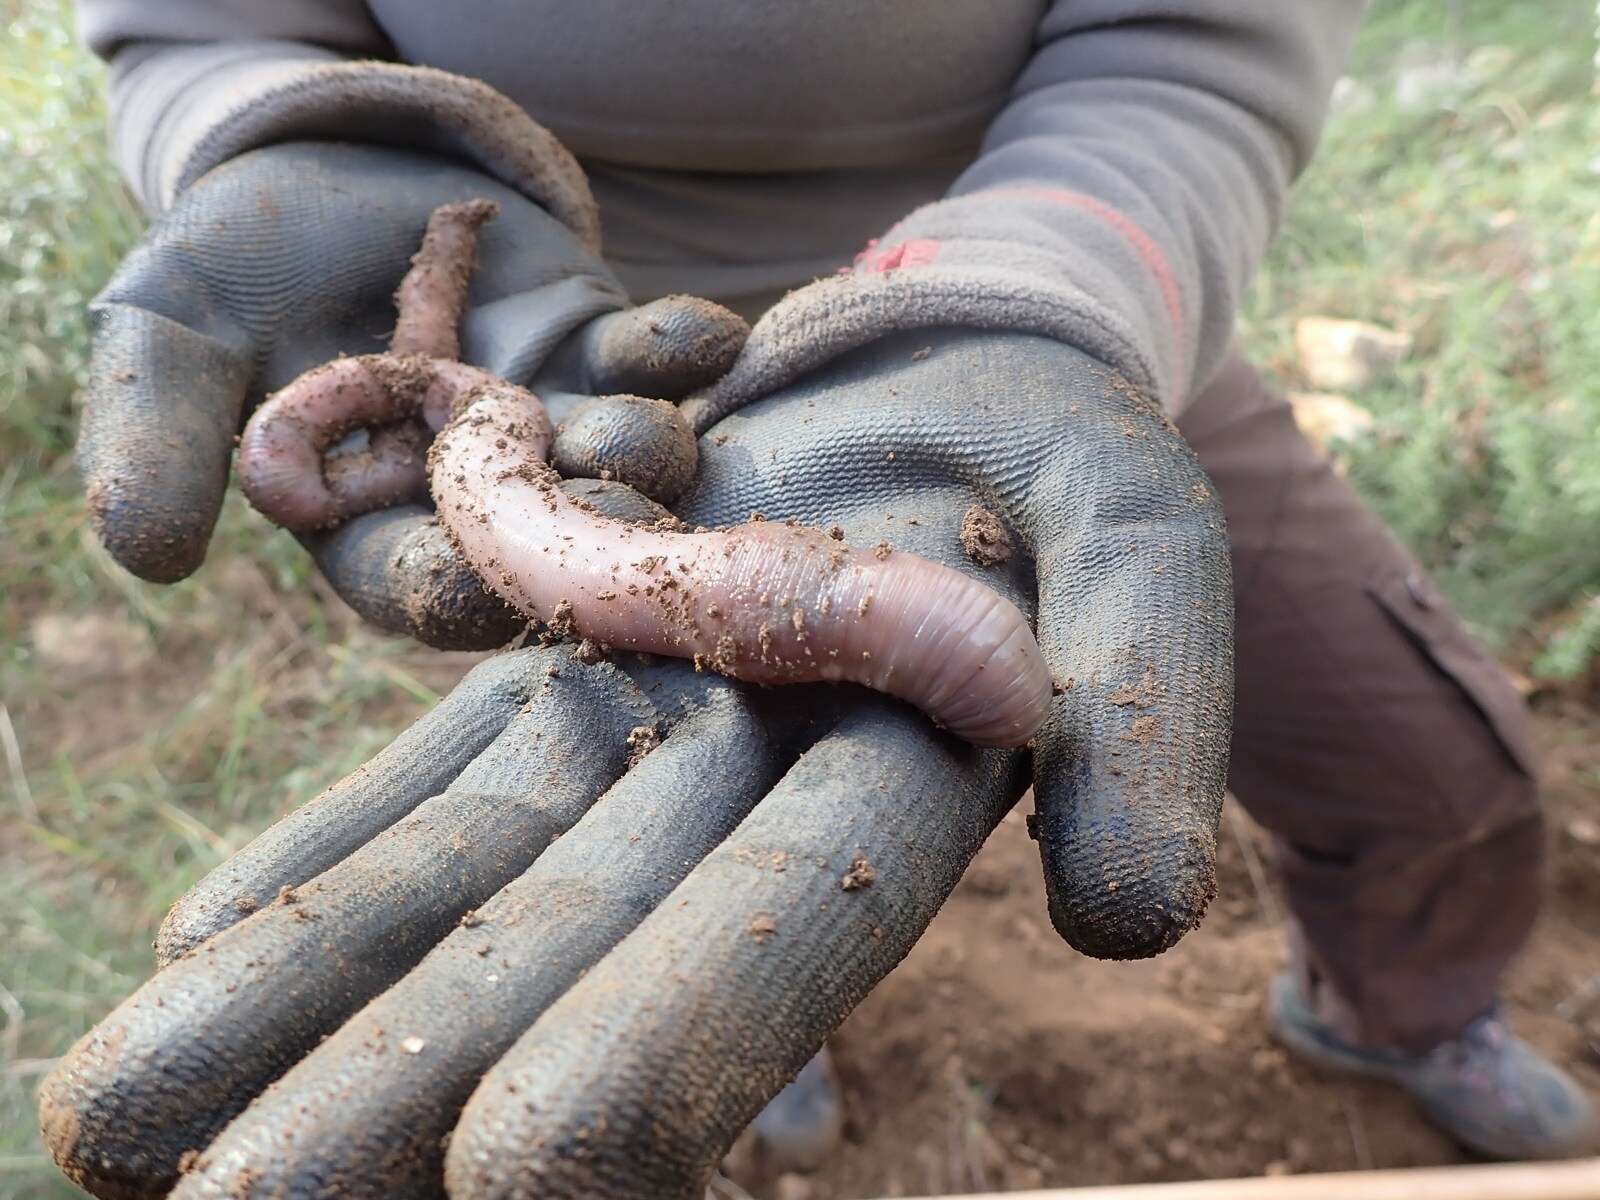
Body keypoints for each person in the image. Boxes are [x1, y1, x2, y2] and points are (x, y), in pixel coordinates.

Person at [43, 4, 1595, 1197]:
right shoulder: (506, 417)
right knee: (667, 797)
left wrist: (1043, 279)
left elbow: (1190, 39)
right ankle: (781, 1030)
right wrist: (277, 123)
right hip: (590, 365)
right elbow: (204, 19)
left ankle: (1407, 1005)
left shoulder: (1039, 322)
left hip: (1042, 323)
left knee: (1429, 768)